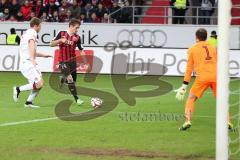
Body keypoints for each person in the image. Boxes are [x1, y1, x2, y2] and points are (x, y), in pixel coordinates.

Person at [174, 28, 233, 131]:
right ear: (206, 37)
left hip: (202, 78)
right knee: (222, 101)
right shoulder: (213, 47)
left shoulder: (192, 49)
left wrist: (184, 85)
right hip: (216, 76)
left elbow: (189, 68)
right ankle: (228, 121)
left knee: (191, 98)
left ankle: (187, 121)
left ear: (196, 38)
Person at [13, 18, 52, 108]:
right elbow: (31, 44)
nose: (40, 28)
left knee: (39, 84)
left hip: (27, 61)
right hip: (28, 62)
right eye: (40, 26)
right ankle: (18, 89)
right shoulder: (32, 32)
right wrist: (33, 60)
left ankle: (28, 102)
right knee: (39, 83)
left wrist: (43, 55)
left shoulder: (27, 33)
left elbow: (31, 50)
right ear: (36, 25)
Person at [50, 18, 89, 105]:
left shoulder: (77, 38)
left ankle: (63, 78)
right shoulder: (61, 33)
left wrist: (86, 62)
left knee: (72, 81)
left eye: (78, 28)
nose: (77, 29)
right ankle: (77, 99)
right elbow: (51, 44)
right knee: (70, 79)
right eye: (76, 27)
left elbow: (81, 50)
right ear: (71, 26)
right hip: (62, 61)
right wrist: (60, 40)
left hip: (72, 61)